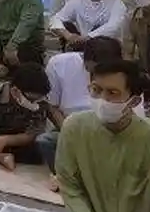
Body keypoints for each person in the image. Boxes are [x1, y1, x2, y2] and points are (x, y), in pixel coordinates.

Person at [11, 60, 150, 212]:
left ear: (134, 101)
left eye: (112, 93)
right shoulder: (74, 127)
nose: (102, 99)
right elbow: (71, 189)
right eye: (96, 90)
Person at [37, 37, 126, 185]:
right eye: (95, 70)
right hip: (72, 129)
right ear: (84, 60)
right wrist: (70, 131)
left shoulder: (123, 76)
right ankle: (71, 178)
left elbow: (128, 115)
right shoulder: (59, 64)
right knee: (45, 142)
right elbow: (51, 106)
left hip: (108, 133)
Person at [0, 62, 51, 170]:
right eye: (31, 99)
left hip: (15, 136)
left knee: (35, 153)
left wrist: (6, 140)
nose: (34, 103)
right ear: (15, 90)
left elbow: (32, 133)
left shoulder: (41, 103)